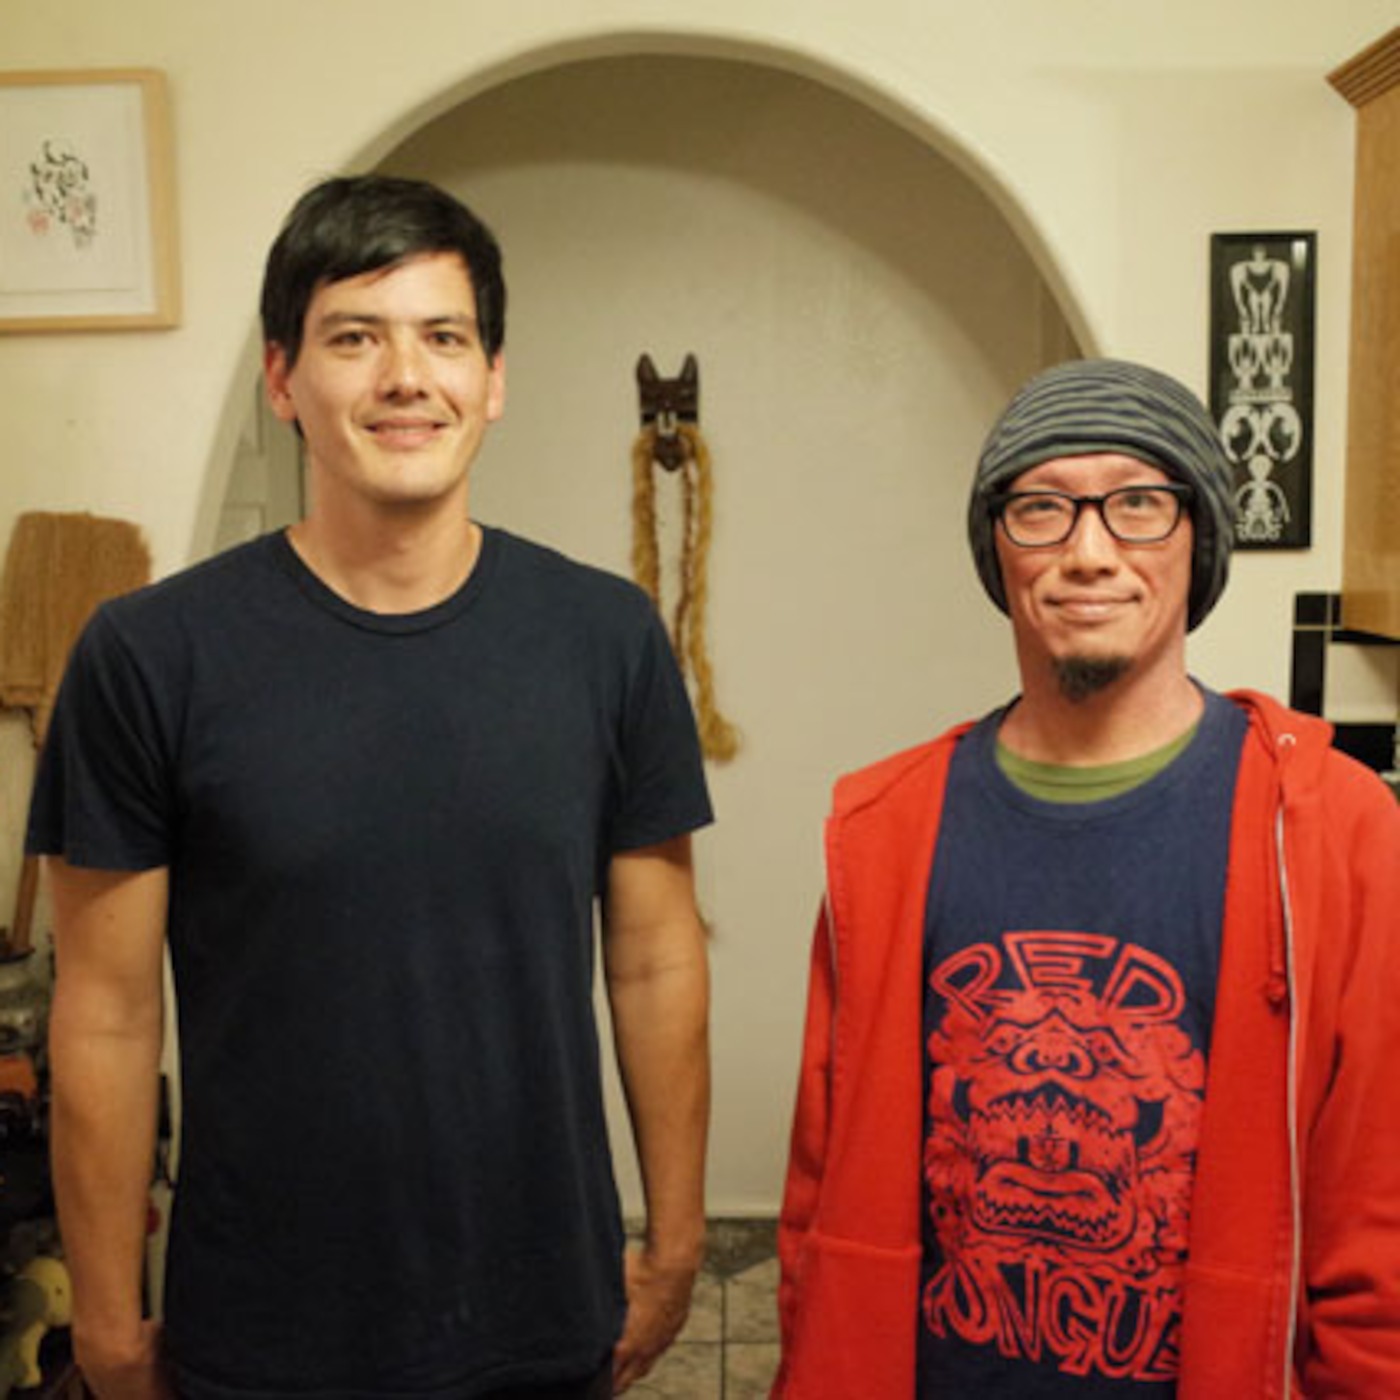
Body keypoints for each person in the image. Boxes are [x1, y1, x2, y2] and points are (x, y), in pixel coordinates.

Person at [31, 175, 714, 1400]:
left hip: (540, 1313)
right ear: (282, 378)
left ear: (491, 380)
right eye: (354, 337)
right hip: (262, 1331)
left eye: (443, 337)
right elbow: (106, 1014)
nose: (406, 376)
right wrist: (107, 1315)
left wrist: (672, 1244)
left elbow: (656, 962)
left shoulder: (605, 639)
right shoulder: (147, 655)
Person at [773, 358, 1400, 1397]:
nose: (1088, 551)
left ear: (1199, 539)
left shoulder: (1334, 831)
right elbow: (818, 1199)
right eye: (1040, 508)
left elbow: (1378, 1218)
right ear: (997, 549)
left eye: (1138, 503)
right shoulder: (884, 832)